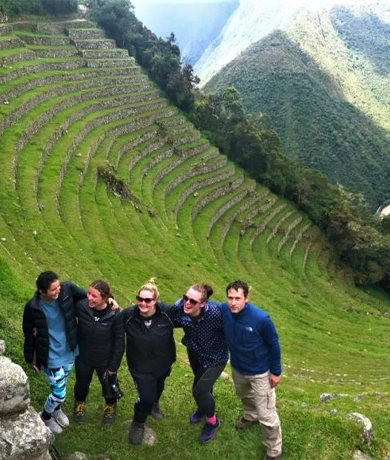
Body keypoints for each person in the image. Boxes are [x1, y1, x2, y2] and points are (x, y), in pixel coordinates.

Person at [219, 280, 282, 460]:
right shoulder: (225, 310)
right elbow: (206, 306)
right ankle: (250, 415)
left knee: (267, 415)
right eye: (230, 297)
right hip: (238, 368)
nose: (233, 302)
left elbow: (274, 344)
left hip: (260, 372)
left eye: (237, 298)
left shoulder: (261, 319)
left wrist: (276, 371)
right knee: (244, 395)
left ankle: (273, 451)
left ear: (246, 298)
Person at [22, 271, 87, 435]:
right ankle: (45, 416)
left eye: (58, 287)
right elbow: (28, 333)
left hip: (69, 349)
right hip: (50, 355)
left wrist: (109, 300)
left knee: (62, 383)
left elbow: (89, 299)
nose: (59, 290)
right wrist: (32, 359)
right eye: (53, 289)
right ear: (42, 292)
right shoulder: (32, 307)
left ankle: (56, 409)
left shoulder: (67, 290)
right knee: (59, 393)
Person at [168, 284, 228, 444]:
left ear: (203, 303)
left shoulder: (216, 314)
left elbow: (235, 327)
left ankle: (212, 422)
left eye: (192, 301)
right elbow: (166, 317)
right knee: (202, 386)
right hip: (195, 353)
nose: (187, 303)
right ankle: (203, 408)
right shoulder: (181, 310)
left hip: (216, 358)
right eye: (185, 298)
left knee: (199, 391)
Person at [122, 279, 176, 445]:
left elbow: (190, 316)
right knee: (145, 396)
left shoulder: (168, 313)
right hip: (140, 366)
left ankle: (154, 404)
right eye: (140, 299)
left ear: (156, 300)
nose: (143, 303)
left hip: (163, 363)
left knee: (158, 386)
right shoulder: (128, 315)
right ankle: (138, 423)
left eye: (148, 300)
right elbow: (111, 324)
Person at [73, 280, 125, 425]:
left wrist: (113, 366)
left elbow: (120, 342)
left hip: (105, 360)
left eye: (94, 296)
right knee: (82, 383)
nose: (89, 297)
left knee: (108, 385)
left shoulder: (115, 314)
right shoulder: (81, 306)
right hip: (84, 356)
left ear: (105, 297)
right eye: (88, 293)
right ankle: (79, 403)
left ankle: (110, 406)